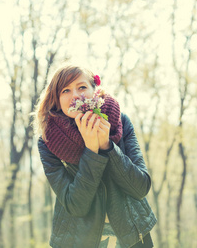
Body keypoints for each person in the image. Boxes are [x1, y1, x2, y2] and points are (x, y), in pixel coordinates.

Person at [34, 64, 157, 248]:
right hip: (77, 240)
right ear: (57, 100)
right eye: (65, 90)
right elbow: (75, 205)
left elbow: (141, 188)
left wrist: (107, 146)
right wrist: (91, 151)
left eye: (82, 87)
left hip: (131, 237)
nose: (75, 95)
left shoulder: (121, 122)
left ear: (95, 90)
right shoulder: (48, 140)